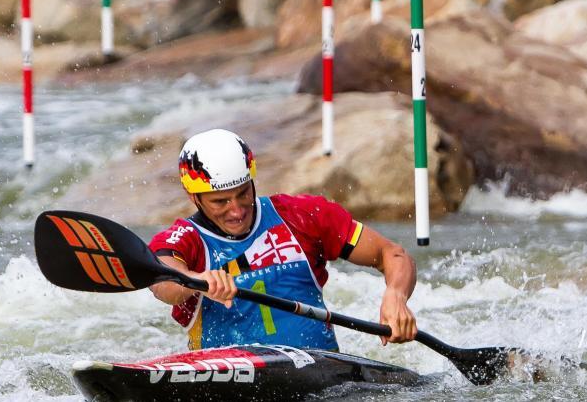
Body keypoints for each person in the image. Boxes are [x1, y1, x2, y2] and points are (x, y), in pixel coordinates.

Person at [148, 129, 418, 351]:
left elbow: (391, 253)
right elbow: (163, 280)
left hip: (324, 376)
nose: (237, 210)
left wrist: (396, 296)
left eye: (243, 194)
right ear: (193, 197)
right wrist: (196, 280)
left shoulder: (302, 216)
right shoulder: (184, 239)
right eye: (220, 201)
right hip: (226, 382)